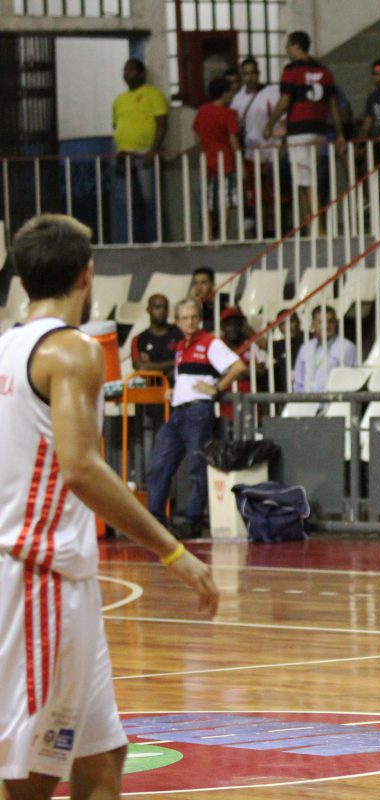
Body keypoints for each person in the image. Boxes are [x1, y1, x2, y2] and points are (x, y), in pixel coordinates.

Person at [0, 214, 218, 800]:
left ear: (22, 278)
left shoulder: (5, 348)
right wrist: (173, 552)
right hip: (41, 576)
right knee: (32, 778)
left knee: (102, 756)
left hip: (51, 575)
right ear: (87, 275)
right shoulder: (72, 349)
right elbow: (81, 467)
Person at [145, 299, 248, 538]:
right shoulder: (181, 346)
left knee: (196, 467)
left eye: (193, 317)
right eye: (185, 318)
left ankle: (192, 520)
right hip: (179, 410)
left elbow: (238, 367)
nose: (190, 322)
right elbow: (188, 378)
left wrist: (217, 388)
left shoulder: (210, 342)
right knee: (159, 465)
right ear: (177, 322)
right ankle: (155, 521)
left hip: (197, 411)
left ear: (199, 319)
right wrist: (174, 391)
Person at [263, 31, 345, 231]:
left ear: (296, 46)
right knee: (311, 177)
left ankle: (317, 227)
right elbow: (334, 105)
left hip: (299, 130)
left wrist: (270, 124)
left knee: (303, 180)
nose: (287, 51)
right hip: (319, 130)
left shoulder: (292, 70)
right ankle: (312, 225)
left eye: (288, 46)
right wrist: (340, 133)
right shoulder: (324, 70)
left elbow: (285, 101)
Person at [110, 58, 168, 244]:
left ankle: (156, 240)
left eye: (131, 70)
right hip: (124, 156)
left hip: (145, 154)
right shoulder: (119, 100)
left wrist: (153, 151)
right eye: (124, 70)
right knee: (128, 202)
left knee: (150, 200)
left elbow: (162, 124)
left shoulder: (154, 95)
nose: (126, 74)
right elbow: (116, 125)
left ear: (141, 73)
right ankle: (134, 241)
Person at [230, 57, 284, 237]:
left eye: (253, 73)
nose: (250, 77)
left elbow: (283, 118)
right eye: (246, 74)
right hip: (250, 154)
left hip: (272, 150)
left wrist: (281, 141)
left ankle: (274, 230)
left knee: (273, 194)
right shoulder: (237, 99)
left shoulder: (272, 93)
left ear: (258, 74)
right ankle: (261, 231)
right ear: (242, 76)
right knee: (256, 195)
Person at [193, 77, 241, 240]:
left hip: (207, 161)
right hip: (225, 162)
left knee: (207, 201)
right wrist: (240, 164)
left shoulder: (202, 111)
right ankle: (222, 237)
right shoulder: (229, 114)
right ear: (224, 93)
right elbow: (233, 139)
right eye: (230, 92)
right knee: (225, 201)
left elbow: (197, 136)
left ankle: (208, 237)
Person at [292, 307, 358, 393]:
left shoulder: (346, 347)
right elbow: (298, 382)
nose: (326, 326)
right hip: (306, 399)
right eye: (321, 322)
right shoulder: (306, 348)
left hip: (333, 399)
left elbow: (351, 380)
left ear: (336, 323)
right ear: (313, 324)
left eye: (330, 322)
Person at [130, 293, 183, 380]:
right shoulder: (139, 339)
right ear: (148, 310)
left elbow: (188, 361)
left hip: (177, 385)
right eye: (157, 307)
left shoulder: (180, 333)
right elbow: (142, 369)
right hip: (152, 387)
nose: (162, 311)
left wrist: (151, 366)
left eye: (165, 307)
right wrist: (175, 363)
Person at [188, 266, 217, 330]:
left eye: (203, 283)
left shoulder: (223, 301)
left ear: (212, 285)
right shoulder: (191, 303)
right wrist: (192, 303)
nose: (198, 287)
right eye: (196, 283)